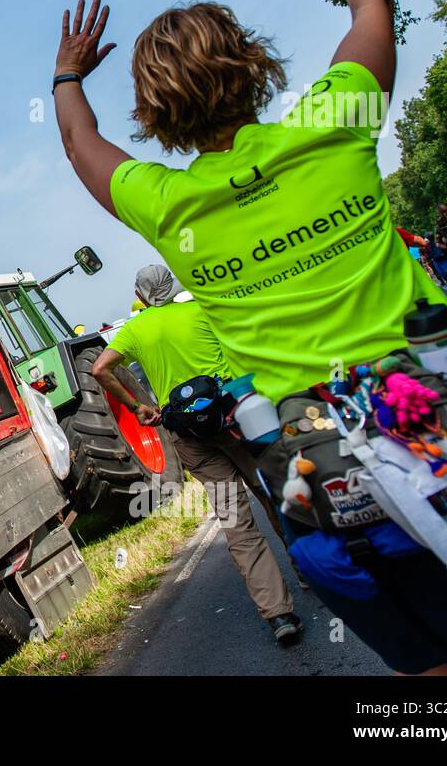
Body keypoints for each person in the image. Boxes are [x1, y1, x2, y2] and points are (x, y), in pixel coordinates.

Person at [52, 0, 447, 673]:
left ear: (156, 115)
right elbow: (370, 11)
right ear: (252, 66)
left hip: (330, 495)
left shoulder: (166, 204)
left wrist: (67, 74)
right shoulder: (333, 122)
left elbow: (78, 140)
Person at [91, 265, 302, 643]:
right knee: (271, 492)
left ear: (140, 297)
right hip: (237, 422)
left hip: (189, 437)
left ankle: (278, 614)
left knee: (235, 522)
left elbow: (100, 368)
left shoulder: (135, 330)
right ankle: (308, 569)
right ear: (172, 288)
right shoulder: (200, 311)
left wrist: (139, 405)